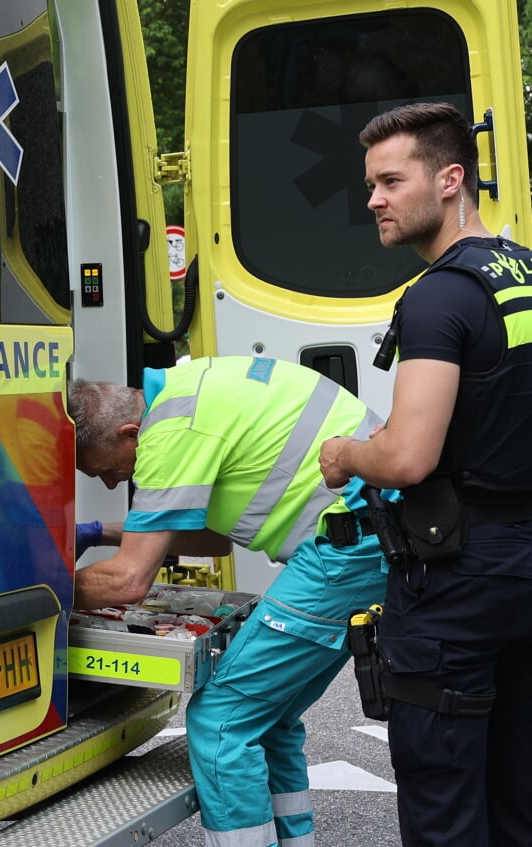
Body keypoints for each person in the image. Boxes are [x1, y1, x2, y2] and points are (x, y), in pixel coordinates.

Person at [317, 101, 532, 847]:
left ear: (448, 180)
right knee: (527, 802)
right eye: (370, 183)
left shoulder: (440, 294)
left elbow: (407, 456)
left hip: (456, 577)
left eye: (389, 180)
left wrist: (345, 453)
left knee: (444, 813)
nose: (372, 198)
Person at [68, 356, 392, 847]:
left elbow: (127, 583)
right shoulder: (189, 390)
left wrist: (36, 587)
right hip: (379, 541)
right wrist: (99, 533)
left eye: (106, 471)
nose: (112, 483)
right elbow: (214, 540)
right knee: (273, 717)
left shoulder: (171, 431)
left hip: (344, 555)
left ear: (129, 433)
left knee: (220, 720)